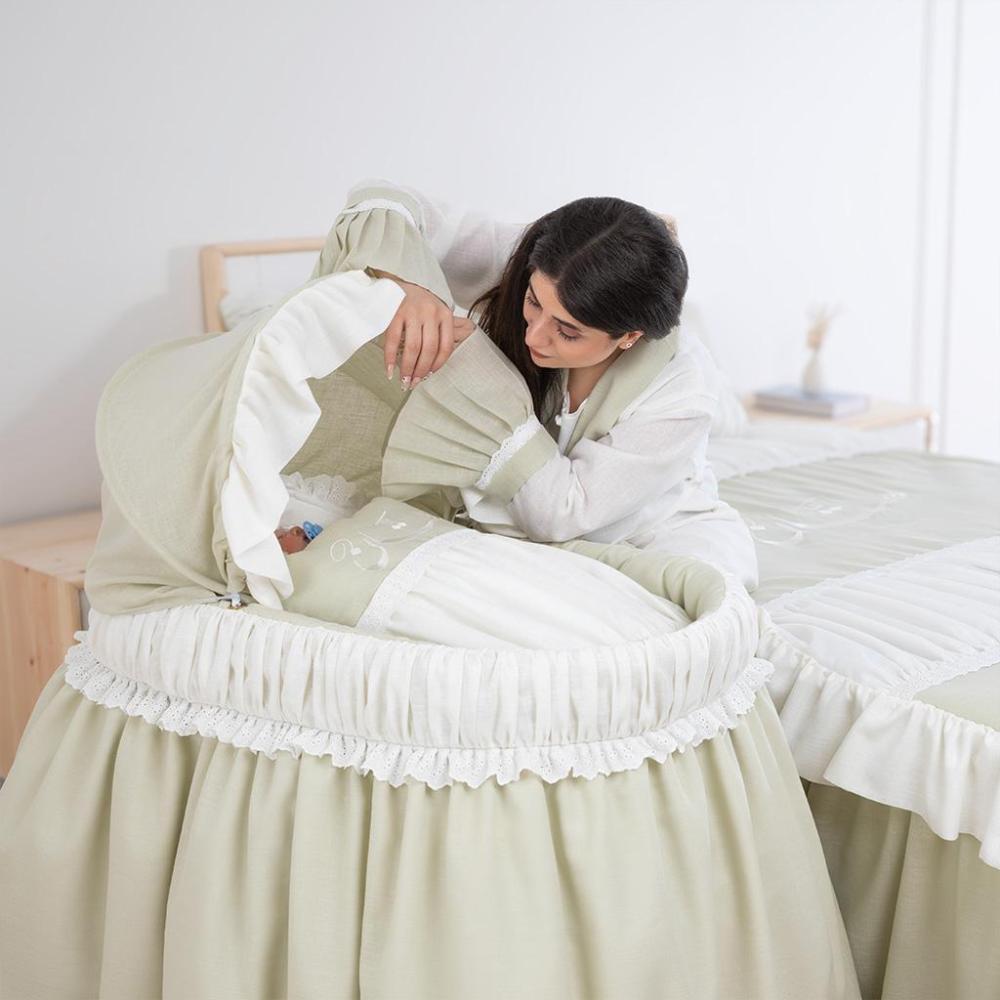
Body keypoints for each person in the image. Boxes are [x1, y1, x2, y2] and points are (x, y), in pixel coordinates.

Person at [315, 179, 759, 589]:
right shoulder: (544, 260)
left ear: (629, 337)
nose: (534, 337)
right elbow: (380, 203)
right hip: (515, 507)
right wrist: (412, 286)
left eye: (567, 331)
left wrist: (483, 378)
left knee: (683, 602)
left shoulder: (682, 388)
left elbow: (562, 512)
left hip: (645, 529)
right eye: (532, 302)